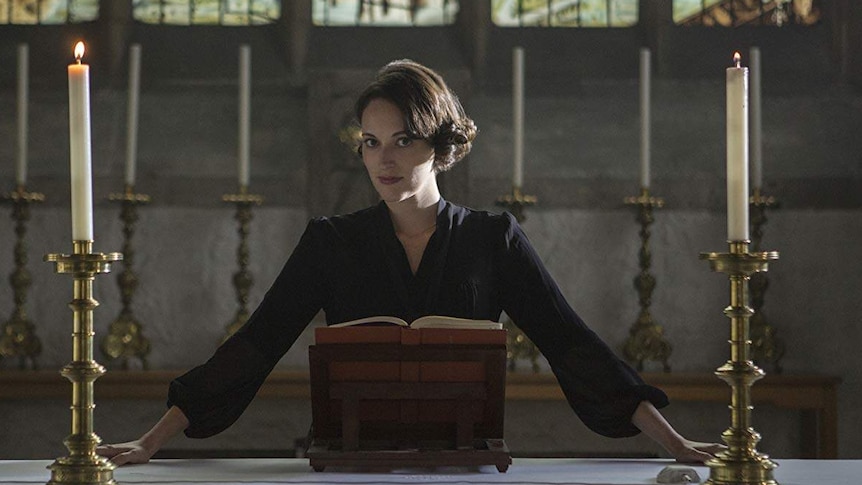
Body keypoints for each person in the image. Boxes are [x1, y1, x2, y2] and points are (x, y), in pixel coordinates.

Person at [97, 59, 723, 466]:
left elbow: (571, 341)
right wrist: (151, 441)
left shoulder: (492, 239)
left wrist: (674, 443)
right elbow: (257, 343)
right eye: (371, 142)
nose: (383, 159)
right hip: (350, 464)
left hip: (464, 466)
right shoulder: (330, 242)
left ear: (440, 145)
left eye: (403, 140)